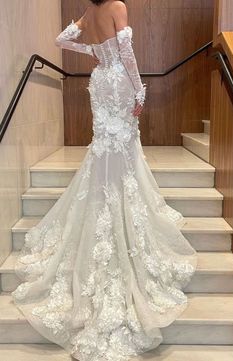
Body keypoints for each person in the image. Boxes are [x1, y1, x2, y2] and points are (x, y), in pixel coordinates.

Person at [12, 1, 197, 360]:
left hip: (100, 80)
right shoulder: (117, 6)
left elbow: (62, 39)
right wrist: (140, 88)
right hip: (119, 82)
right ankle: (121, 203)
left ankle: (106, 196)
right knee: (122, 146)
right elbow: (126, 51)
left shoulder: (89, 11)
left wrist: (95, 51)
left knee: (104, 146)